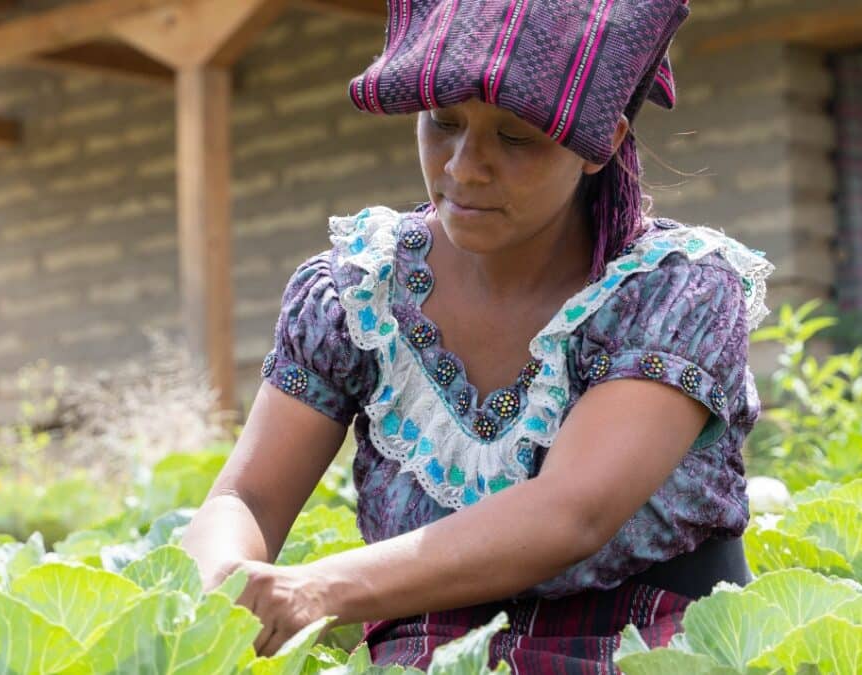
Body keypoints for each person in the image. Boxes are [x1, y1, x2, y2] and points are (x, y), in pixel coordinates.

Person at [180, 0, 775, 670]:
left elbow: (569, 512)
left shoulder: (675, 291)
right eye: (444, 123)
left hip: (642, 649)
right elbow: (247, 496)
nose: (465, 166)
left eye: (515, 136)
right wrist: (213, 589)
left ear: (600, 141)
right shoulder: (361, 291)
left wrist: (317, 587)